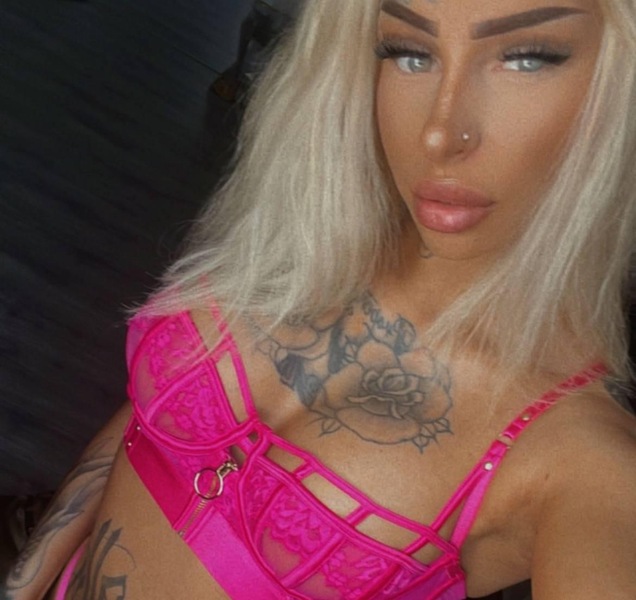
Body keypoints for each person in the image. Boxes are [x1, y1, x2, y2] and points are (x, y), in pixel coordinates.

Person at [4, 0, 636, 598]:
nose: (440, 133)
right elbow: (151, 420)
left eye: (526, 58)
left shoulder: (587, 465)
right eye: (409, 51)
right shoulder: (315, 239)